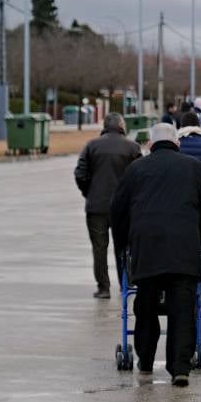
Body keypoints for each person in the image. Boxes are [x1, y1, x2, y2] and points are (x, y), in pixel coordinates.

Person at [111, 124, 201, 387]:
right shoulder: (194, 168)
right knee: (183, 307)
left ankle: (145, 362)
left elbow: (118, 211)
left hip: (147, 248)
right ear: (177, 144)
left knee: (145, 304)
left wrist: (125, 243)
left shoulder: (135, 170)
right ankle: (180, 367)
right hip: (184, 248)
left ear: (150, 144)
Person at [73, 113, 142, 299]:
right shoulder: (133, 147)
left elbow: (80, 174)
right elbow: (140, 177)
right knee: (124, 247)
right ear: (121, 125)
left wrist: (89, 192)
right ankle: (126, 282)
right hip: (124, 208)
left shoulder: (91, 146)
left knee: (99, 248)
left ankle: (103, 287)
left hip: (96, 206)